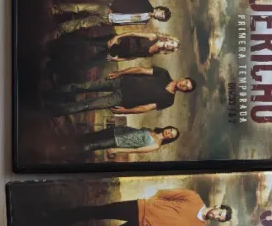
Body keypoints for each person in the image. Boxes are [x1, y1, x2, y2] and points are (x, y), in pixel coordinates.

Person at [49, 189, 232, 226]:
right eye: (220, 213)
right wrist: (151, 205)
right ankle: (55, 218)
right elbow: (163, 193)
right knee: (97, 212)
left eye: (220, 219)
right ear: (217, 207)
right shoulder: (194, 198)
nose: (217, 216)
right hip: (138, 208)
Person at [48, 67, 195, 116]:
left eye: (186, 88)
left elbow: (146, 108)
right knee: (85, 86)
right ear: (183, 78)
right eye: (186, 82)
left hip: (122, 99)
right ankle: (53, 92)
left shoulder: (169, 100)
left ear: (184, 92)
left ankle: (54, 110)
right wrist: (120, 73)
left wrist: (126, 111)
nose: (184, 85)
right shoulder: (163, 73)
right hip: (120, 81)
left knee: (89, 105)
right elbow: (140, 70)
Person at [48, 33, 180, 78]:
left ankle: (54, 67)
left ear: (170, 50)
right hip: (116, 42)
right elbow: (133, 33)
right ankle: (56, 45)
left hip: (115, 54)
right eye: (172, 43)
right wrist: (116, 37)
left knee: (87, 65)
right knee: (87, 43)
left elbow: (132, 57)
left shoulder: (154, 53)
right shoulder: (153, 36)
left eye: (172, 47)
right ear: (169, 39)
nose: (170, 45)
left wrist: (117, 59)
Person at [52, 1, 171, 33]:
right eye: (161, 13)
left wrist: (112, 24)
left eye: (161, 17)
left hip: (109, 20)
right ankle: (57, 9)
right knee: (81, 7)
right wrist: (113, 7)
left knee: (83, 24)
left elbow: (126, 22)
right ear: (159, 9)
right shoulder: (145, 3)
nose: (159, 15)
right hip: (108, 9)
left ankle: (61, 29)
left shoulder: (145, 21)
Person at [78, 125, 179, 157]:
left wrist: (117, 150)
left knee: (94, 145)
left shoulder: (156, 145)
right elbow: (137, 131)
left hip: (119, 142)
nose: (169, 133)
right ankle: (75, 140)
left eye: (171, 135)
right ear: (168, 127)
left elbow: (137, 150)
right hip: (119, 130)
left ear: (170, 139)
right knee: (94, 135)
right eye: (170, 130)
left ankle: (73, 151)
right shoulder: (152, 130)